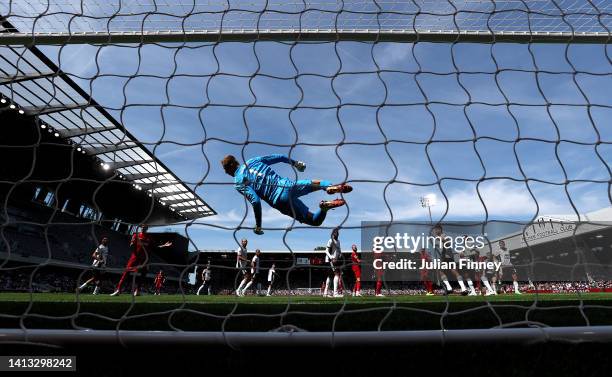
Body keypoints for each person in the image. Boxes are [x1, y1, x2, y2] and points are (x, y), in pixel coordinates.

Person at [221, 154, 352, 234]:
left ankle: (323, 208)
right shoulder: (251, 161)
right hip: (286, 185)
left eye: (225, 169)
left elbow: (255, 201)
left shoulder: (237, 182)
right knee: (317, 183)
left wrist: (259, 225)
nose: (226, 172)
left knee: (313, 220)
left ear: (231, 166)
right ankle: (330, 186)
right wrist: (296, 164)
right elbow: (280, 157)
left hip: (279, 200)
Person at [110, 225, 172, 296]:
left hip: (144, 259)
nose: (143, 228)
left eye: (144, 227)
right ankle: (118, 290)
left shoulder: (149, 238)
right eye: (142, 227)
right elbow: (131, 245)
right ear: (140, 228)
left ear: (147, 228)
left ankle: (137, 291)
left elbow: (155, 246)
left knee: (143, 274)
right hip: (135, 258)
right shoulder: (136, 235)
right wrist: (132, 244)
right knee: (126, 273)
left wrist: (164, 245)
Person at [323, 228, 343, 298]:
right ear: (332, 233)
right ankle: (335, 293)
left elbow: (339, 250)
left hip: (335, 260)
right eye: (334, 232)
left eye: (337, 232)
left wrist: (340, 254)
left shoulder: (338, 241)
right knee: (337, 275)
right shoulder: (330, 240)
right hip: (330, 260)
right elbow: (326, 251)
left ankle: (325, 293)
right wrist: (331, 257)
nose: (336, 233)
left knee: (330, 276)